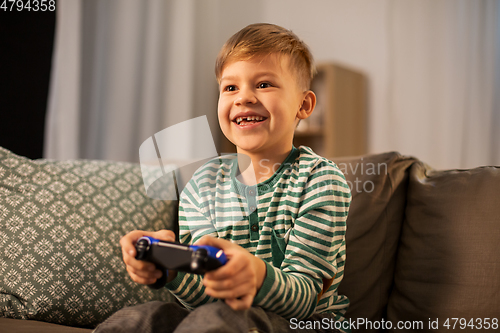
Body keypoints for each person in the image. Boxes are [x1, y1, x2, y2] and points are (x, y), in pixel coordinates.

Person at [111, 23, 351, 333]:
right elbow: (202, 300)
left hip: (303, 325)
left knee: (218, 320)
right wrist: (171, 269)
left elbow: (304, 300)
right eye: (230, 87)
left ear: (303, 105)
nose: (244, 98)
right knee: (141, 318)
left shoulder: (320, 180)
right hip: (222, 317)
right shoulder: (201, 185)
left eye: (264, 84)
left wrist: (257, 274)